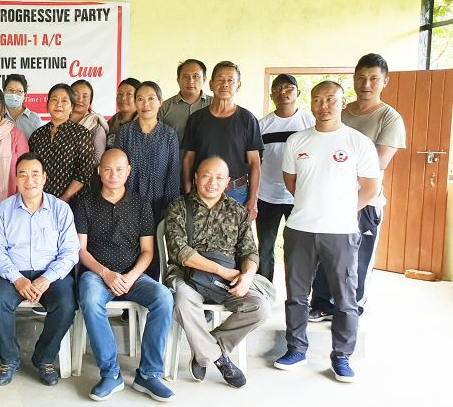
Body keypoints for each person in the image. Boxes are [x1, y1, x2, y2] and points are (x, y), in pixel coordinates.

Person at [275, 81, 380, 383]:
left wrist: (344, 212)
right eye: (318, 99)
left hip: (341, 232)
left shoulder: (358, 142)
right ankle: (295, 348)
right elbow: (291, 182)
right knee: (296, 295)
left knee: (345, 297)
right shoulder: (297, 140)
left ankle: (342, 356)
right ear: (311, 103)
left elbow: (371, 189)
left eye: (330, 99)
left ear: (342, 101)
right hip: (300, 229)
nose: (323, 105)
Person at [309, 53, 406, 322]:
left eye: (374, 79)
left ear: (384, 82)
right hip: (326, 200)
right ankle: (321, 304)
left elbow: (378, 163)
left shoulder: (389, 118)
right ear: (353, 80)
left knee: (357, 258)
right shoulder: (340, 111)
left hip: (363, 201)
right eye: (361, 78)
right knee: (323, 255)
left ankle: (351, 308)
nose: (366, 84)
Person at [74, 149, 175, 402]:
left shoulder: (141, 204)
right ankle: (110, 373)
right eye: (107, 169)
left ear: (128, 171)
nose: (113, 175)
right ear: (99, 171)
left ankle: (149, 374)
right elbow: (81, 250)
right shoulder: (85, 203)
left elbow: (148, 251)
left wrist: (130, 277)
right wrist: (105, 273)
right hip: (97, 274)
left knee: (163, 298)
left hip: (133, 275)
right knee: (89, 299)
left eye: (120, 169)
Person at [165, 156, 274, 389]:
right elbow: (180, 251)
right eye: (206, 175)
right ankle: (220, 359)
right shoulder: (178, 207)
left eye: (219, 177)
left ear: (227, 182)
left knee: (260, 307)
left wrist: (246, 276)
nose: (212, 182)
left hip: (225, 280)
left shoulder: (238, 211)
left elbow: (250, 252)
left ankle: (207, 348)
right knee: (182, 300)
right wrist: (222, 271)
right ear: (195, 178)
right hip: (187, 274)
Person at [0, 152, 79, 386]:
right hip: (12, 274)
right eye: (23, 175)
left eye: (35, 174)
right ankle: (9, 359)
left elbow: (70, 252)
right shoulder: (4, 209)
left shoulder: (60, 209)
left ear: (44, 178)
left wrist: (46, 279)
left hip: (50, 275)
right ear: (15, 179)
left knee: (66, 305)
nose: (30, 180)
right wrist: (17, 279)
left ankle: (44, 358)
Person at [181, 61, 263, 221]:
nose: (225, 84)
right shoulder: (196, 119)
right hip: (202, 191)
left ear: (238, 85)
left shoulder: (247, 119)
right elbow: (188, 158)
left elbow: (255, 163)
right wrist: (187, 190)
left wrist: (253, 199)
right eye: (220, 79)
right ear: (211, 84)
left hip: (236, 192)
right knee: (200, 241)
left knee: (234, 242)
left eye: (230, 80)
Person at [256, 74, 314, 282]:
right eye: (277, 88)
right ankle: (264, 291)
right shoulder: (262, 125)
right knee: (265, 248)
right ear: (271, 95)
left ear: (298, 93)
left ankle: (298, 294)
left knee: (298, 247)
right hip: (267, 195)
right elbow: (255, 161)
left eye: (288, 88)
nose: (282, 92)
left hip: (298, 196)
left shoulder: (310, 123)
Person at [114, 80, 181, 228]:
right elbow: (118, 170)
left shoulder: (169, 135)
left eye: (151, 98)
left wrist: (170, 208)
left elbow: (173, 174)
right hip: (128, 204)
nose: (146, 104)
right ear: (135, 103)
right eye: (140, 99)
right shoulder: (125, 132)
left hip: (159, 205)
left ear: (160, 102)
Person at [28, 84, 95, 202]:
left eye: (64, 101)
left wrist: (65, 198)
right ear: (47, 105)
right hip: (42, 202)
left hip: (74, 203)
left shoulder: (82, 134)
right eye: (54, 99)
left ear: (71, 107)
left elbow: (84, 172)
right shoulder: (37, 135)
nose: (58, 104)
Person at [160, 59, 212, 146]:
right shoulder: (164, 107)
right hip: (175, 159)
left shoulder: (214, 104)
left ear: (204, 79)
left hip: (207, 159)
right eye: (185, 76)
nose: (191, 81)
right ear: (178, 80)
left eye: (196, 76)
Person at [70, 79, 108, 162]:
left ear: (90, 102)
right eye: (76, 94)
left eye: (85, 96)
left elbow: (98, 159)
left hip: (86, 174)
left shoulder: (96, 127)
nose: (80, 99)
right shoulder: (59, 123)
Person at [2, 73, 43, 137]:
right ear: (3, 92)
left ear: (25, 95)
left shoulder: (35, 119)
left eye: (19, 91)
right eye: (10, 90)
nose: (14, 94)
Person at [106, 78, 141, 147]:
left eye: (129, 94)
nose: (123, 98)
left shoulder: (145, 124)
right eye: (120, 94)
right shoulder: (110, 123)